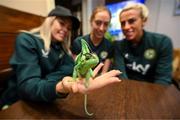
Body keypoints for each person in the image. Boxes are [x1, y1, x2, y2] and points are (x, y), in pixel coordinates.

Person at [0, 6, 121, 110]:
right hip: (16, 104)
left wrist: (46, 81)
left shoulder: (61, 49)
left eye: (68, 28)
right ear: (50, 21)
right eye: (62, 23)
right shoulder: (27, 40)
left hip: (45, 103)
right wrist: (58, 85)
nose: (65, 30)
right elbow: (28, 86)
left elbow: (70, 69)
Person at [113, 3, 173, 85]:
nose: (126, 27)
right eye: (123, 23)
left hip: (152, 91)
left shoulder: (162, 42)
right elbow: (120, 74)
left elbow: (162, 80)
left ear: (144, 20)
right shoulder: (118, 45)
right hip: (126, 89)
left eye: (131, 21)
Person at [71, 6, 113, 74]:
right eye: (98, 23)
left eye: (106, 24)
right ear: (91, 22)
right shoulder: (78, 42)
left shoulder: (109, 45)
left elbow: (104, 72)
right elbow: (77, 69)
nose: (101, 28)